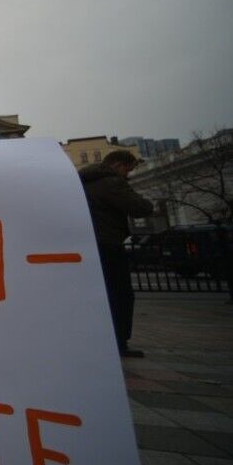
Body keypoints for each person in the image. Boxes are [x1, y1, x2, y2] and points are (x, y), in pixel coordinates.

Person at [80, 150, 154, 357]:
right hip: (109, 242)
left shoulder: (82, 181)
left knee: (96, 294)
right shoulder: (112, 183)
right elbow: (141, 208)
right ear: (118, 165)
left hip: (86, 244)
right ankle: (119, 341)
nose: (127, 175)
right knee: (120, 293)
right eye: (127, 170)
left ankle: (95, 338)